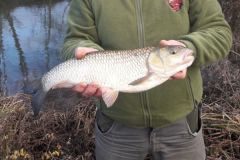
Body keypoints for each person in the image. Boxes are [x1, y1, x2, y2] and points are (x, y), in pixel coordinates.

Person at [61, 0, 232, 159]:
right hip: (115, 127)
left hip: (181, 124)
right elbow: (75, 40)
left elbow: (219, 32)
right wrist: (85, 54)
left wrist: (188, 47)